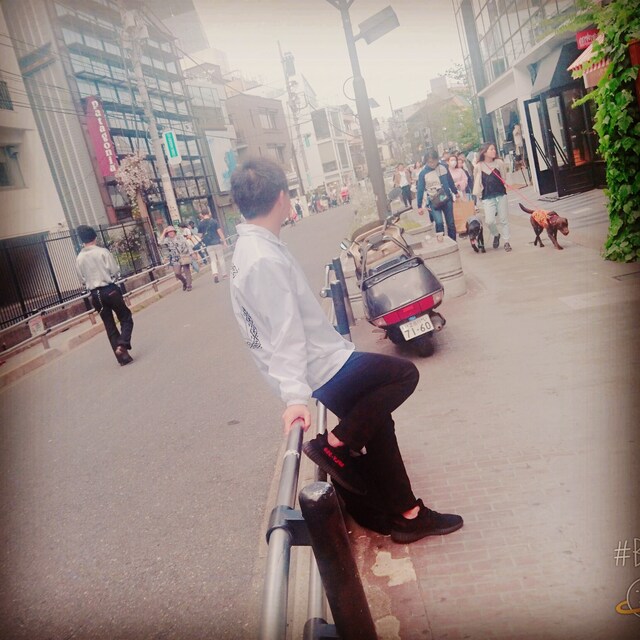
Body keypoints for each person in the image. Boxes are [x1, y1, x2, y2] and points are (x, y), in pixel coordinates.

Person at [229, 157, 463, 544]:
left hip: (319, 362)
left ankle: (404, 514)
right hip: (322, 366)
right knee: (403, 375)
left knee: (378, 420)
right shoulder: (263, 258)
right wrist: (294, 396)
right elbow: (284, 331)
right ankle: (336, 443)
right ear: (283, 197)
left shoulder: (249, 250)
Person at [75, 225, 133, 366]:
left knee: (109, 326)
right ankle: (123, 344)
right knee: (125, 317)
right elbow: (114, 270)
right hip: (109, 289)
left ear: (82, 240)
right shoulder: (102, 252)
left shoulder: (79, 258)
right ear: (95, 237)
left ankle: (122, 358)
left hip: (95, 295)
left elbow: (81, 279)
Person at [472, 142, 512, 252]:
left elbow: (504, 177)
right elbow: (477, 182)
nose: (494, 151)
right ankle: (496, 234)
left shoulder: (499, 163)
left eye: (494, 149)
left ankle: (507, 242)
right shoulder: (478, 166)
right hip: (487, 196)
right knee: (489, 221)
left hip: (501, 194)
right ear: (484, 152)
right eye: (491, 149)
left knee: (503, 219)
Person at [416, 149, 459, 241]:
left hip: (447, 199)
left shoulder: (444, 167)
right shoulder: (423, 174)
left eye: (433, 161)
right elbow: (420, 190)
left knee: (451, 223)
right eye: (429, 162)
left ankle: (453, 242)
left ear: (437, 159)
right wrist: (419, 206)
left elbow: (450, 181)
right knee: (439, 222)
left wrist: (455, 192)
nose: (431, 164)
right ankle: (441, 242)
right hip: (434, 201)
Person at [159, 225, 195, 291]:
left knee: (187, 271)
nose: (171, 233)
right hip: (175, 259)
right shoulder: (167, 240)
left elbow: (187, 245)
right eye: (169, 232)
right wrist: (164, 232)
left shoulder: (180, 237)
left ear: (174, 232)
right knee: (177, 273)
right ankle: (184, 282)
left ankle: (189, 285)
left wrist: (192, 253)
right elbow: (160, 242)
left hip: (184, 255)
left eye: (172, 231)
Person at [198, 211, 228, 283]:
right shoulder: (214, 221)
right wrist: (224, 242)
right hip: (217, 243)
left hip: (208, 244)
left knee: (213, 260)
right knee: (221, 258)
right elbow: (219, 232)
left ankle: (215, 274)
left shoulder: (200, 223)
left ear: (202, 215)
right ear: (209, 213)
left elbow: (200, 235)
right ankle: (224, 275)